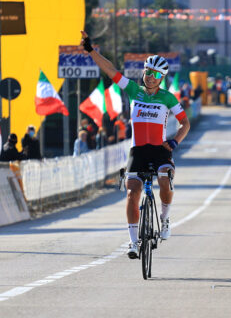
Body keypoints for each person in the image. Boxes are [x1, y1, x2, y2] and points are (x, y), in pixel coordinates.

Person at [81, 30, 190, 259]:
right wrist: (91, 50)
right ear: (144, 72)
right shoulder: (133, 90)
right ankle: (133, 242)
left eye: (155, 74)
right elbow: (110, 69)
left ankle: (165, 218)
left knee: (164, 179)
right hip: (137, 151)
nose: (150, 77)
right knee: (132, 193)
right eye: (148, 72)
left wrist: (174, 141)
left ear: (162, 77)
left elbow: (185, 123)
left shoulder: (168, 98)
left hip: (160, 150)